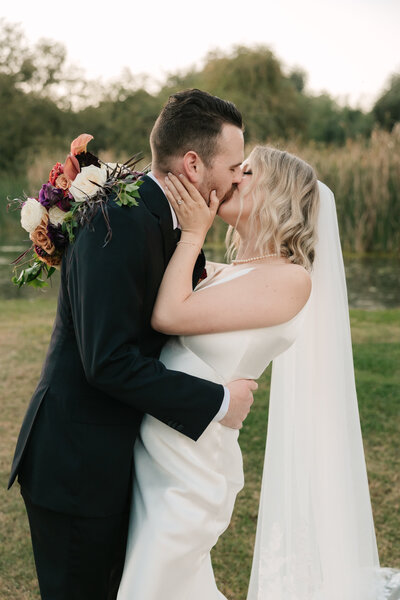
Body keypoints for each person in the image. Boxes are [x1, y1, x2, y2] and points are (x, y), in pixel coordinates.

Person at [8, 89, 258, 600]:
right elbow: (108, 360)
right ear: (193, 163)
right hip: (78, 464)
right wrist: (219, 402)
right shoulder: (117, 221)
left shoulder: (170, 220)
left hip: (116, 458)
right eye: (233, 166)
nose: (238, 176)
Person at [117, 145, 391, 600]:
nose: (233, 177)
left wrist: (192, 235)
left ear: (279, 196)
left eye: (247, 172)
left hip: (191, 464)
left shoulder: (291, 280)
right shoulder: (227, 272)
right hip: (157, 448)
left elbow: (168, 316)